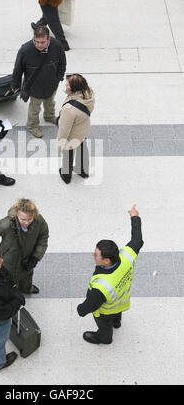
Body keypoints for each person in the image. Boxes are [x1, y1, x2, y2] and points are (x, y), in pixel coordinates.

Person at [77, 205, 144, 345]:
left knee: (104, 325)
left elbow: (91, 305)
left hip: (105, 311)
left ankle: (104, 338)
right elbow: (137, 239)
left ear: (107, 260)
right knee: (117, 313)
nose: (93, 255)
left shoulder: (102, 286)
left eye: (96, 254)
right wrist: (135, 217)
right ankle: (117, 323)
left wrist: (81, 310)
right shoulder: (126, 256)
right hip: (121, 301)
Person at [0, 199, 49, 294]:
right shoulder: (6, 224)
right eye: (23, 219)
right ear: (16, 215)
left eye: (29, 219)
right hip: (8, 260)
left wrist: (36, 257)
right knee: (7, 280)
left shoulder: (39, 222)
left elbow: (43, 238)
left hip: (27, 258)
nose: (27, 222)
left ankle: (27, 289)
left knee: (27, 275)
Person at [12, 26, 66, 138]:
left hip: (52, 84)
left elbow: (62, 63)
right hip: (34, 86)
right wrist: (15, 84)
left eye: (43, 42)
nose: (39, 45)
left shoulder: (57, 45)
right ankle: (32, 126)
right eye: (37, 42)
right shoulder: (25, 49)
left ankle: (50, 117)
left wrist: (58, 78)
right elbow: (18, 69)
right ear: (34, 38)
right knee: (34, 108)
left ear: (48, 39)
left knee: (50, 103)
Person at [57, 74, 94, 184]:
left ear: (74, 88)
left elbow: (64, 129)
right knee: (82, 149)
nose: (65, 85)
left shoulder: (69, 109)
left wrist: (60, 144)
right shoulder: (89, 93)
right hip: (84, 128)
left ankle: (66, 176)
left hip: (72, 135)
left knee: (68, 154)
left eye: (68, 84)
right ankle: (83, 170)